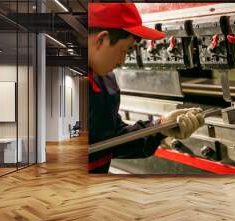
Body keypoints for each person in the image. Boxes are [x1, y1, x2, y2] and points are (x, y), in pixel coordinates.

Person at [87, 3, 205, 173]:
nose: (122, 61)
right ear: (101, 40)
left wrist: (161, 127)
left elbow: (111, 140)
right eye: (124, 50)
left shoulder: (105, 81)